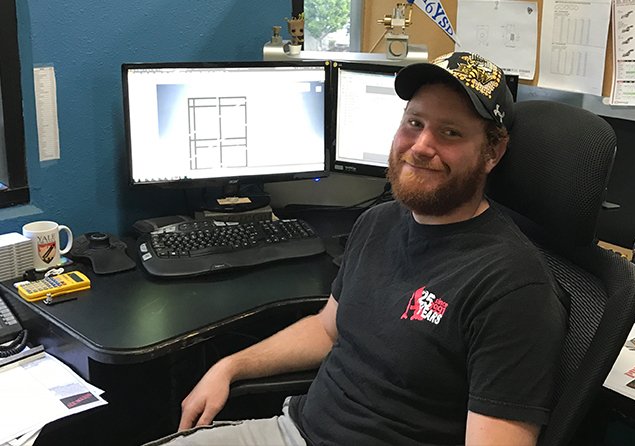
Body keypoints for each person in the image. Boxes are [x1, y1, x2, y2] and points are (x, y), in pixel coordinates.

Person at [145, 52, 567, 446]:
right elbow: (328, 328)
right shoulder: (378, 222)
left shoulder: (512, 286)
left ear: (493, 151)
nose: (421, 146)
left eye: (450, 132)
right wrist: (230, 366)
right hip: (294, 431)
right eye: (415, 123)